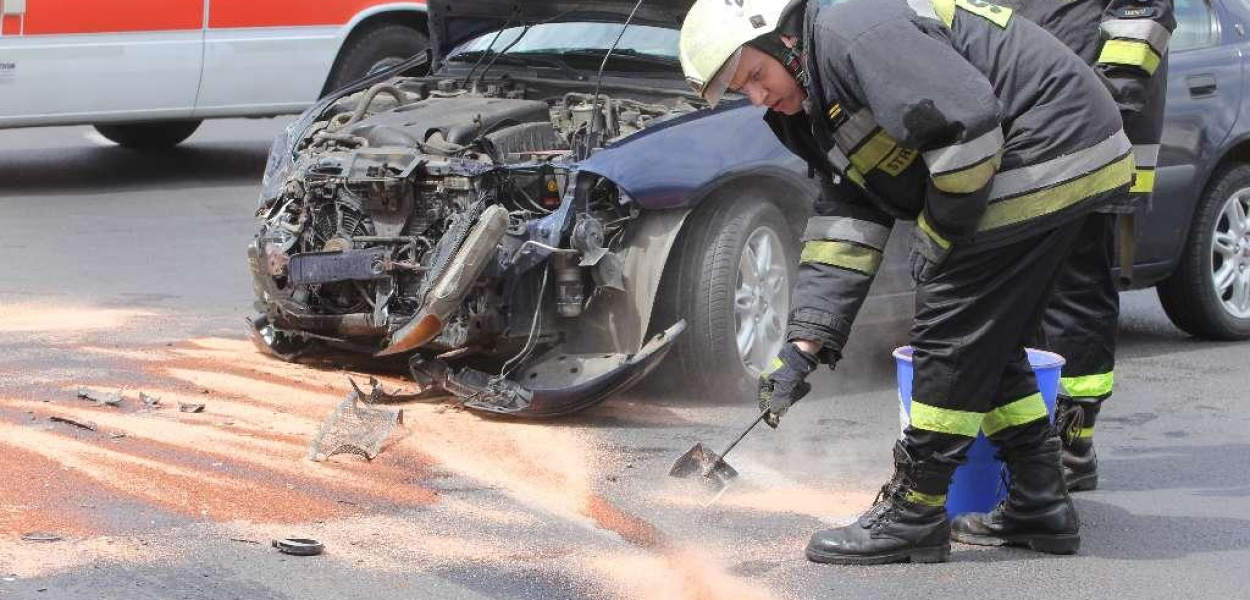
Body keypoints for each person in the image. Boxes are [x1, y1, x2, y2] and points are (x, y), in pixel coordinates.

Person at [679, 0, 1134, 564]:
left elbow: (966, 135)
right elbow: (845, 220)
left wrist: (941, 234)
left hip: (1047, 145)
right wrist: (803, 344)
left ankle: (915, 512)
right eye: (739, 91)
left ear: (784, 42)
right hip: (1041, 150)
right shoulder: (810, 102)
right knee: (985, 334)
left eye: (754, 76)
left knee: (951, 323)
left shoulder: (852, 31)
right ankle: (1040, 502)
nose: (756, 97)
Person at [995, 0, 1174, 493]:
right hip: (1030, 128)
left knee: (1072, 287)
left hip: (1088, 135)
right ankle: (1030, 434)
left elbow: (1139, 28)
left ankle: (1071, 442)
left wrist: (1094, 110)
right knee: (1025, 289)